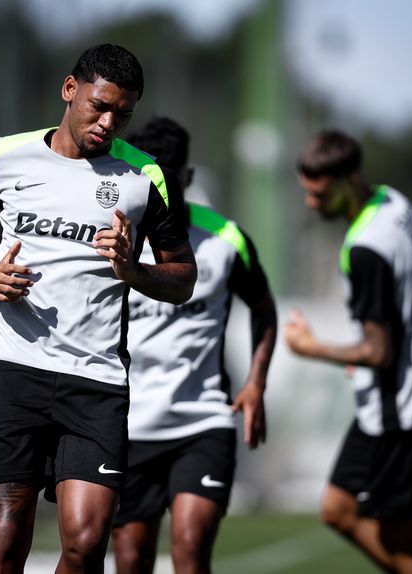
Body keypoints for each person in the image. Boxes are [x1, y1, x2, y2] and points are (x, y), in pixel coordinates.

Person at [0, 44, 197, 574]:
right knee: (6, 535)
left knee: (85, 546)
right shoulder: (3, 157)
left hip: (96, 380)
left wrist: (134, 271)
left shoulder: (147, 178)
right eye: (100, 106)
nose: (108, 123)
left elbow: (182, 279)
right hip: (14, 372)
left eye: (123, 114)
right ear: (70, 90)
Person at [110, 117, 278, 574]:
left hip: (203, 422)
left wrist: (256, 383)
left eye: (171, 178)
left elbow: (264, 308)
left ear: (188, 177)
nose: (162, 188)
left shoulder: (226, 239)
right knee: (130, 559)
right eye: (152, 178)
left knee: (189, 547)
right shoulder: (115, 241)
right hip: (128, 427)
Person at [284, 129, 412, 574]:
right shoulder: (394, 203)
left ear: (349, 180)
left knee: (395, 536)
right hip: (394, 401)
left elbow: (378, 353)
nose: (311, 202)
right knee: (337, 511)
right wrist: (381, 345)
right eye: (307, 191)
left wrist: (310, 347)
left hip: (402, 411)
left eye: (318, 193)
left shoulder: (365, 249)